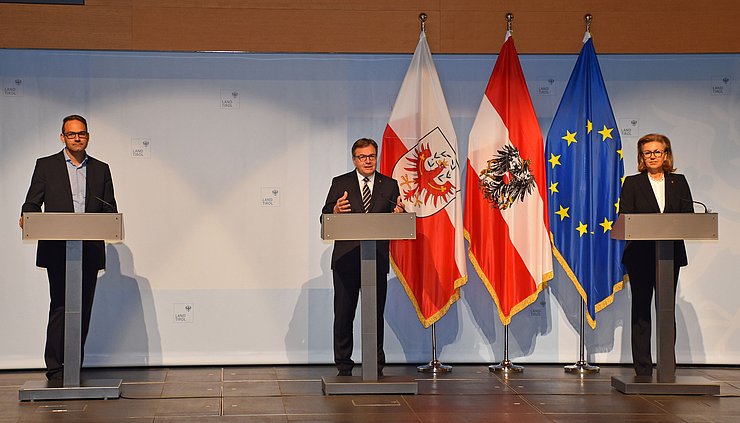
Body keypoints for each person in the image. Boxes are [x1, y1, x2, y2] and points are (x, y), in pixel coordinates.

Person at [19, 114, 118, 381]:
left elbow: (110, 209)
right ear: (63, 137)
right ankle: (54, 367)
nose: (77, 138)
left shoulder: (101, 169)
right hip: (57, 250)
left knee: (83, 306)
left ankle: (74, 365)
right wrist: (26, 216)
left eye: (82, 133)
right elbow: (31, 203)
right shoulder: (46, 166)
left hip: (89, 249)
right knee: (61, 306)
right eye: (72, 134)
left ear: (88, 136)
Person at [321, 138, 404, 377]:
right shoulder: (341, 183)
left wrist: (399, 214)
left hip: (375, 260)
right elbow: (325, 216)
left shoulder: (389, 185)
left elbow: (395, 215)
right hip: (346, 260)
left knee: (374, 316)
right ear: (354, 159)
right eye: (362, 157)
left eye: (371, 156)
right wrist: (335, 211)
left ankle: (375, 366)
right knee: (344, 314)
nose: (368, 161)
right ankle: (343, 366)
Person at [619, 133, 693, 377]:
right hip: (640, 256)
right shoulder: (632, 183)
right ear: (641, 157)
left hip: (669, 255)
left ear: (666, 155)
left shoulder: (678, 182)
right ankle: (642, 369)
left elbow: (688, 215)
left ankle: (666, 366)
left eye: (656, 152)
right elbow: (625, 217)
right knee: (641, 310)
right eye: (647, 153)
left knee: (666, 309)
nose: (652, 156)